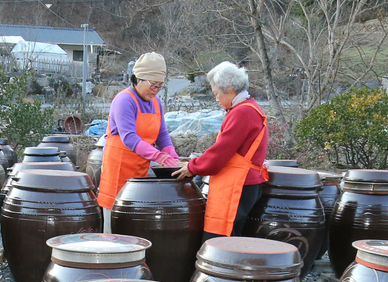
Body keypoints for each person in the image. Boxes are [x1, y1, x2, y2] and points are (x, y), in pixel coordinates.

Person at [173, 61, 269, 239]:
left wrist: (192, 167)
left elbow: (220, 153)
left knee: (220, 241)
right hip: (246, 184)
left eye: (216, 93)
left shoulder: (242, 113)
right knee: (233, 237)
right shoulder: (250, 108)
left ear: (230, 88)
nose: (216, 98)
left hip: (238, 186)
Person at [97, 52, 180, 231]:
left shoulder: (156, 102)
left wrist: (172, 156)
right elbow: (129, 137)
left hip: (139, 171)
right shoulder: (124, 100)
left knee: (135, 221)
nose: (155, 90)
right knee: (115, 224)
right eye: (152, 85)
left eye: (160, 86)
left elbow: (162, 134)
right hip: (118, 169)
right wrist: (158, 156)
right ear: (137, 79)